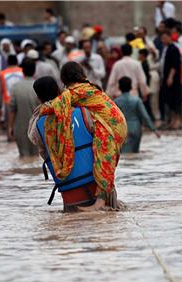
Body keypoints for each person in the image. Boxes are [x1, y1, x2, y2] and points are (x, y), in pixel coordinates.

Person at [36, 62, 127, 211]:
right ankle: (107, 201)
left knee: (103, 162)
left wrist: (41, 110)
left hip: (110, 126)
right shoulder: (89, 87)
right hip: (117, 123)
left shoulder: (74, 92)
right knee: (105, 162)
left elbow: (55, 105)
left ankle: (100, 203)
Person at [28, 76, 99, 210]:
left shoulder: (38, 125)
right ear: (59, 90)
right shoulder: (84, 112)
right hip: (97, 184)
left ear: (39, 98)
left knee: (70, 225)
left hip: (70, 192)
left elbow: (37, 143)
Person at [114, 76, 160, 153]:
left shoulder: (116, 102)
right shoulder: (137, 100)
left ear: (119, 87)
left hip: (122, 129)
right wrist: (154, 129)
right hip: (136, 129)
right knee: (134, 154)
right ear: (131, 87)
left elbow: (113, 119)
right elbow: (145, 116)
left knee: (124, 154)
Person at [8, 59, 39, 156]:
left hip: (20, 128)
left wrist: (10, 127)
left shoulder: (15, 87)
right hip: (37, 128)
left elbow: (12, 109)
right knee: (37, 156)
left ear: (22, 71)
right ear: (34, 71)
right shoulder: (39, 86)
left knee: (23, 156)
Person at [159, 30, 182, 129]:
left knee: (175, 99)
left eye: (164, 38)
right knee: (168, 100)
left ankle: (178, 120)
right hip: (165, 77)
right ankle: (172, 119)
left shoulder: (174, 49)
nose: (163, 40)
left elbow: (175, 65)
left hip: (173, 79)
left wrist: (170, 77)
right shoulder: (166, 49)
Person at [0, 54, 24, 124]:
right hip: (21, 99)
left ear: (7, 62)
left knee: (10, 123)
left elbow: (0, 90)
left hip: (8, 101)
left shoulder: (2, 73)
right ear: (17, 61)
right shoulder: (23, 71)